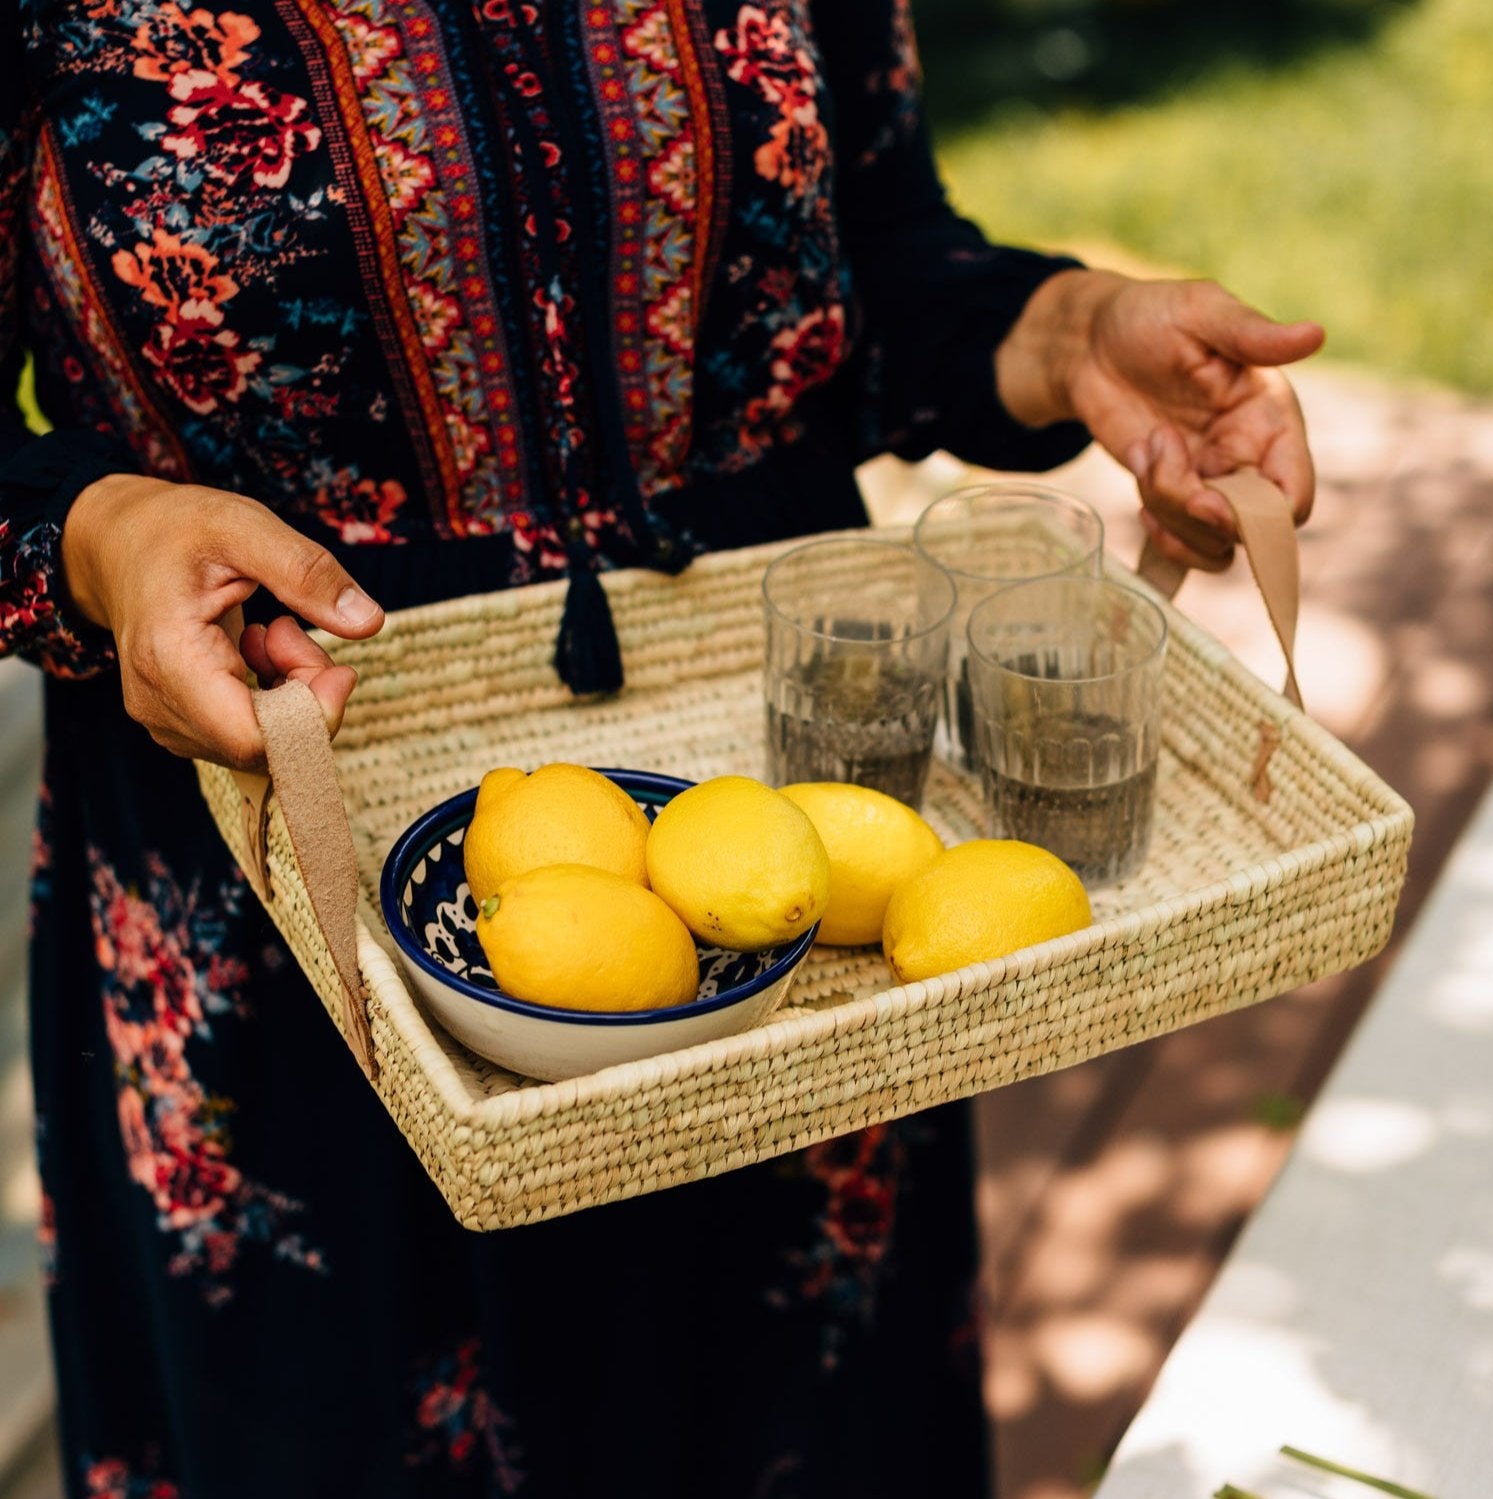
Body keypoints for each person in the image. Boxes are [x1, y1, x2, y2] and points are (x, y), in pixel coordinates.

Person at [1, 0, 1323, 1494]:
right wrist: (100, 543)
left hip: (773, 861)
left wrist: (1066, 328)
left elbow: (871, 260)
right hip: (300, 866)